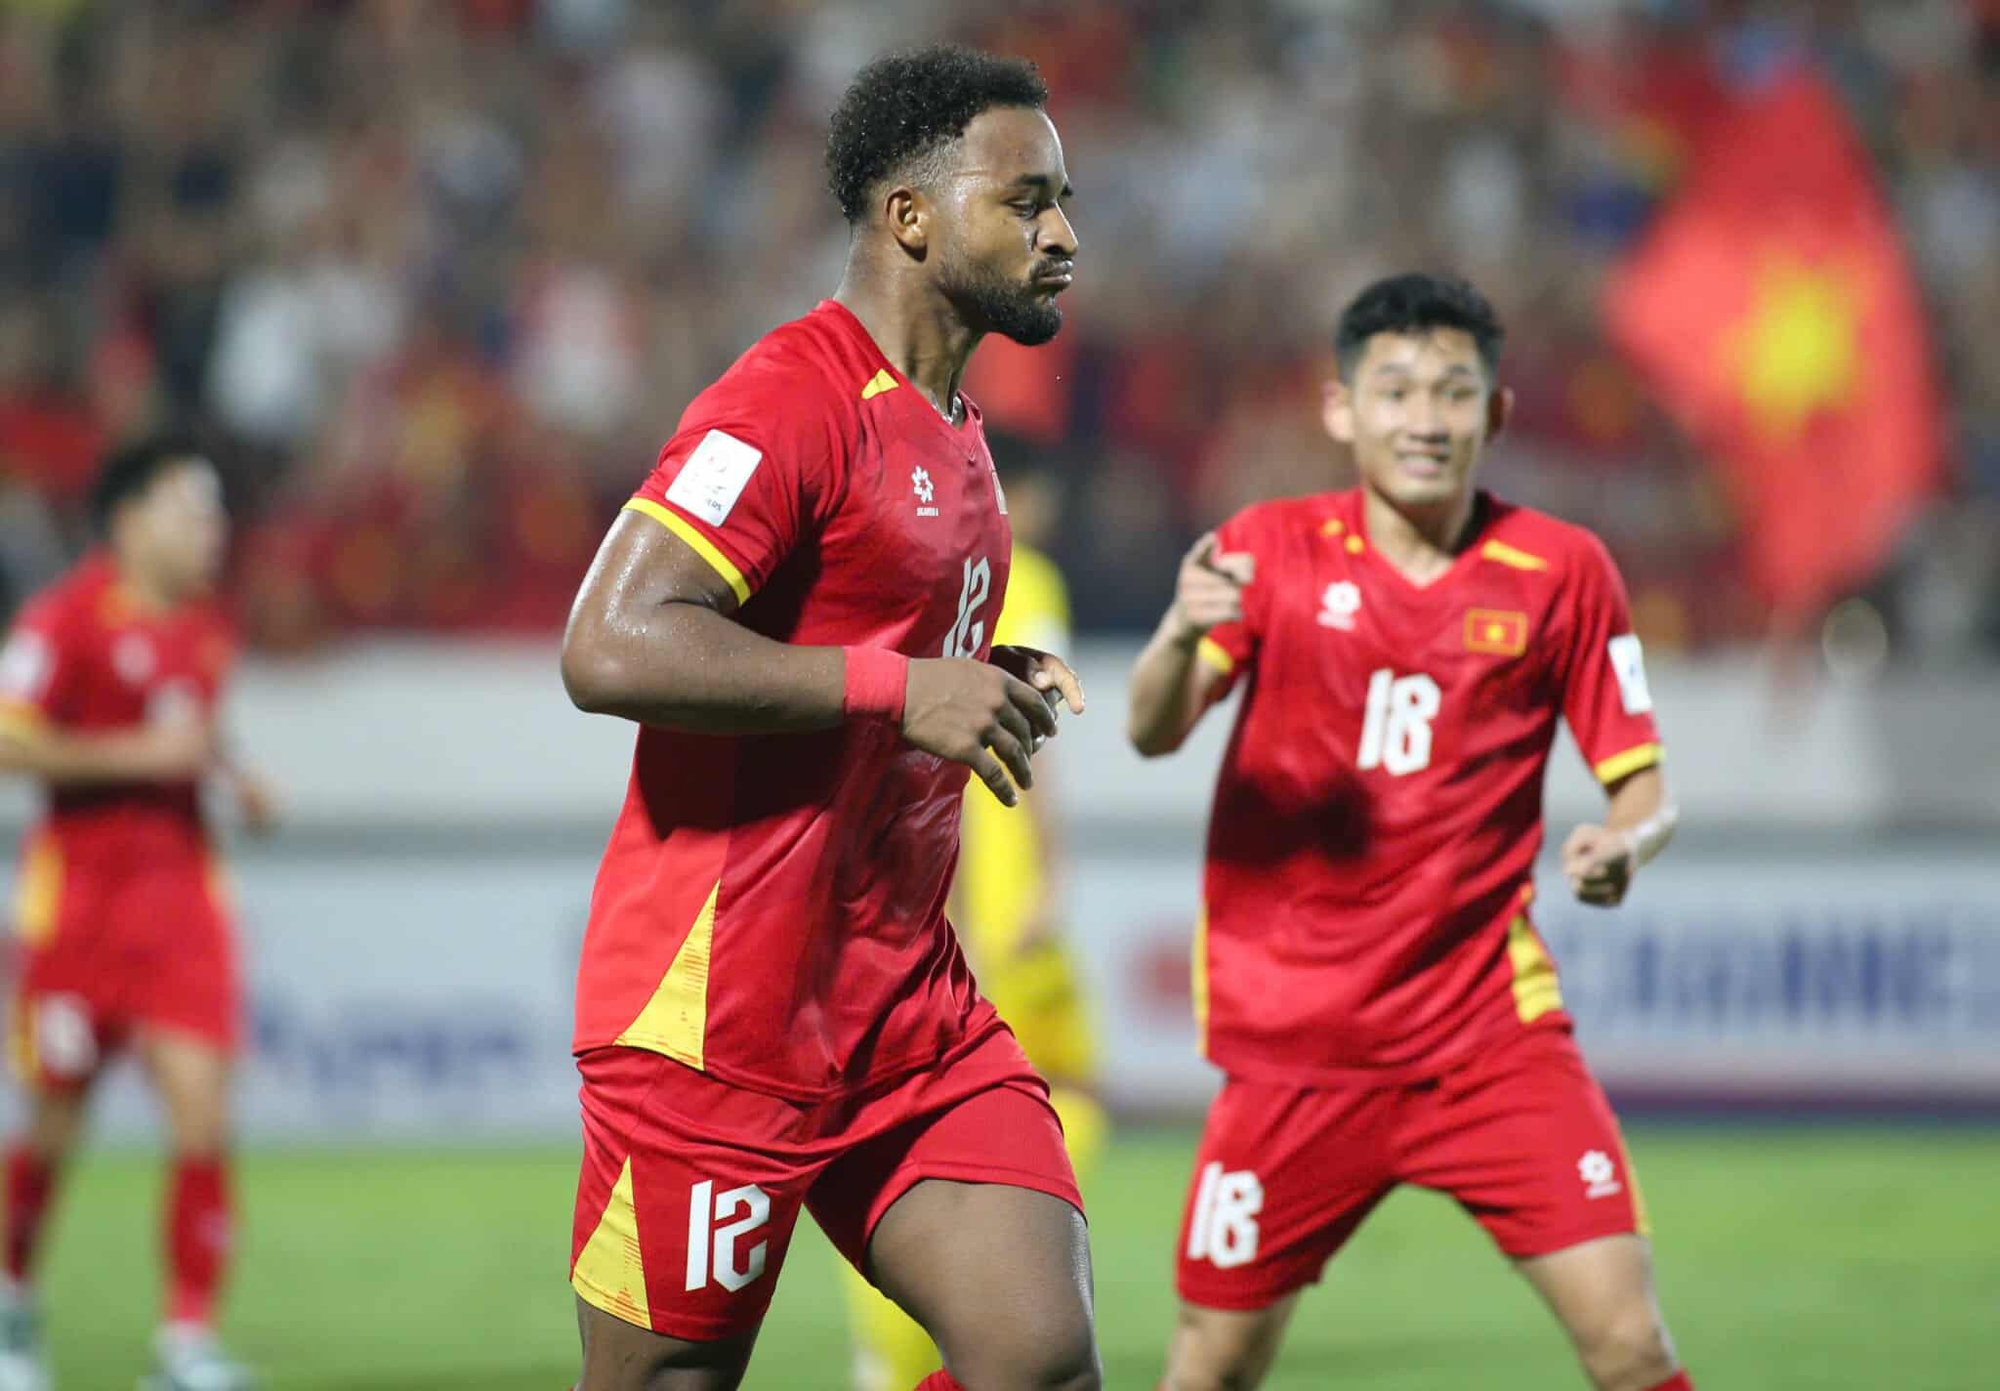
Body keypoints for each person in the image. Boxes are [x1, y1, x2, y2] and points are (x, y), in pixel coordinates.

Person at [558, 46, 1096, 1391]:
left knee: (1037, 1357)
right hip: (719, 1015)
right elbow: (610, 640)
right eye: (1026, 201)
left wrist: (979, 669)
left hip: (905, 1007)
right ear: (911, 215)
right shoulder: (787, 397)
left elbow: (853, 636)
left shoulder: (959, 433)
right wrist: (902, 685)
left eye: (1063, 202)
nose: (1063, 236)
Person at [1128, 273, 1694, 1391]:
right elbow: (1154, 729)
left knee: (1630, 1342)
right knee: (1212, 1361)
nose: (1424, 419)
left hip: (1487, 1036)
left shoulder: (1562, 570)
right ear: (1340, 409)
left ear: (1496, 411)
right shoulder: (1267, 548)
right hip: (1295, 1044)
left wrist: (1622, 846)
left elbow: (1645, 786)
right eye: (1394, 391)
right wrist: (1176, 632)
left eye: (1451, 392)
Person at [0, 436, 276, 1391]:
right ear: (127, 521)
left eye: (216, 513)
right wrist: (140, 757)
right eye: (192, 511)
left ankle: (188, 1339)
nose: (214, 530)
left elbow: (194, 731)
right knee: (54, 1125)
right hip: (77, 906)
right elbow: (8, 740)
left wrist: (237, 778)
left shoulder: (208, 624)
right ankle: (14, 1306)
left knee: (202, 1110)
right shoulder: (61, 619)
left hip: (183, 900)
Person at [841, 451, 1110, 1391]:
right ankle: (915, 1344)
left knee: (961, 1126)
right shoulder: (1019, 573)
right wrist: (1041, 878)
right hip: (979, 881)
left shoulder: (921, 563)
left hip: (947, 877)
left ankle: (905, 1346)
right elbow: (1030, 739)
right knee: (1031, 1109)